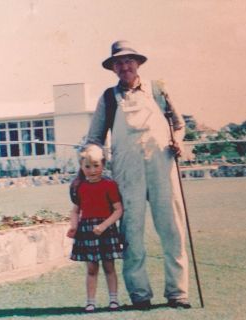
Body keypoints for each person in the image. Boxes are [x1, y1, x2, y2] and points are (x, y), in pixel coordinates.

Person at [86, 40, 191, 309]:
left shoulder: (158, 92)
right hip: (126, 173)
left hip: (162, 169)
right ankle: (140, 294)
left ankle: (178, 292)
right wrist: (94, 156)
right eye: (119, 63)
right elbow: (95, 138)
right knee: (131, 234)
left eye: (129, 61)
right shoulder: (109, 98)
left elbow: (179, 126)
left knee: (172, 231)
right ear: (113, 68)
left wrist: (178, 141)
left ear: (139, 63)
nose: (125, 66)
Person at [66, 144, 124, 313]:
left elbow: (118, 210)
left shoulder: (109, 185)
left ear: (103, 164)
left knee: (109, 267)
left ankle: (114, 300)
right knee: (91, 268)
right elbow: (76, 210)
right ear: (82, 167)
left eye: (96, 166)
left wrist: (104, 225)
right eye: (87, 166)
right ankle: (90, 302)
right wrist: (74, 226)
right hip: (87, 231)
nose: (92, 170)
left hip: (106, 230)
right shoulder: (80, 187)